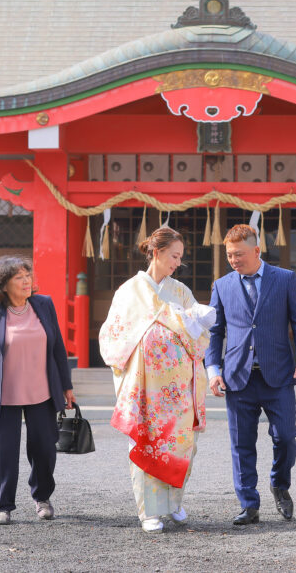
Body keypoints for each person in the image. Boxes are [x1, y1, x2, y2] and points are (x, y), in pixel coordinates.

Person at [99, 226, 215, 533]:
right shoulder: (129, 291)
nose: (177, 262)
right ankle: (149, 511)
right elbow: (113, 334)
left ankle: (173, 503)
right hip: (147, 387)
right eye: (174, 256)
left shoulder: (181, 292)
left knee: (180, 444)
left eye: (180, 257)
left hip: (179, 387)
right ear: (157, 252)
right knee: (150, 441)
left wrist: (190, 322)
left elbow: (201, 332)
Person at [207, 223, 296, 525]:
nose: (234, 260)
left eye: (239, 254)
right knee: (241, 443)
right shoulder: (222, 285)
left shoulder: (285, 279)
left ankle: (280, 484)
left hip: (277, 375)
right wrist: (213, 370)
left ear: (256, 250)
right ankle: (249, 504)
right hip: (237, 376)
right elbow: (215, 332)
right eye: (229, 255)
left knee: (286, 438)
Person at [0, 255, 76, 526]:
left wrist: (66, 386)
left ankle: (42, 498)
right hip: (2, 395)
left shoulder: (43, 305)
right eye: (19, 277)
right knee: (1, 452)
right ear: (4, 284)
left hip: (42, 392)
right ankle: (2, 505)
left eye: (28, 276)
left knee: (44, 449)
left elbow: (58, 348)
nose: (27, 281)